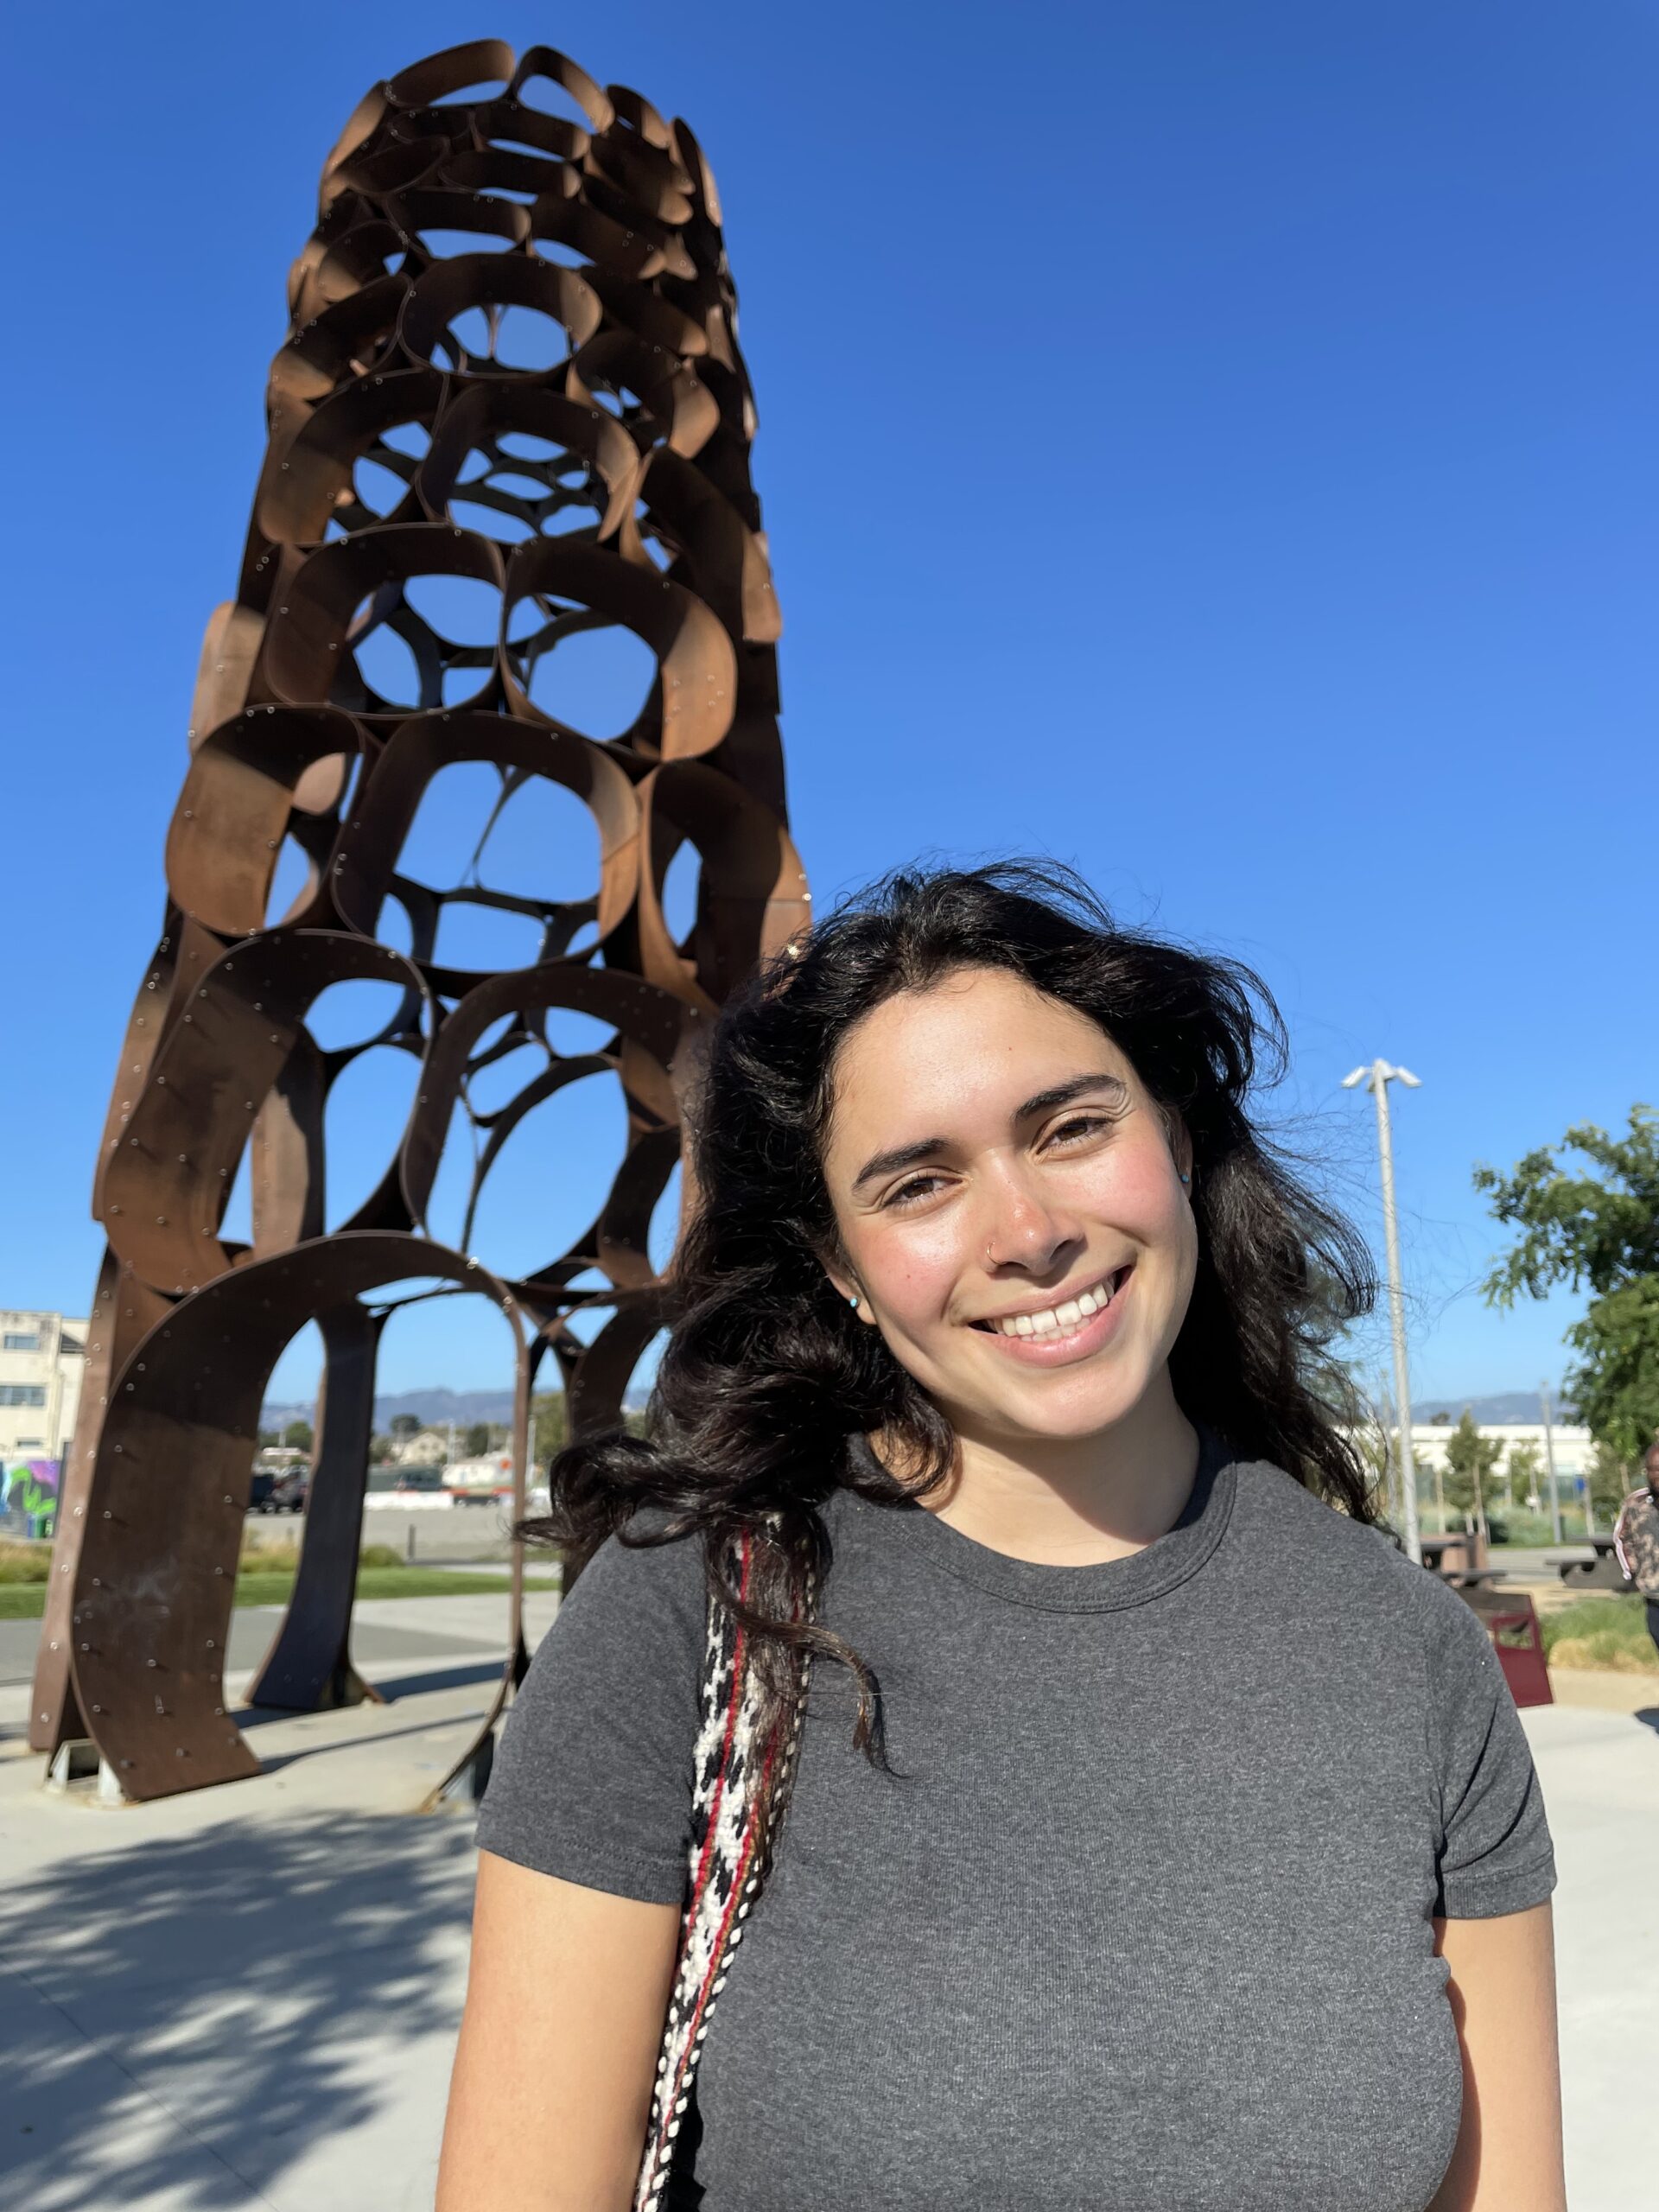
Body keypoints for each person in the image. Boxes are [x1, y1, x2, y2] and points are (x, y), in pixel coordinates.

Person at [437, 862, 1565, 2212]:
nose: (1028, 1233)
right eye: (917, 1183)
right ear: (842, 1270)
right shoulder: (685, 1617)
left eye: (1073, 1126)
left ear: (1181, 1140)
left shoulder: (1406, 1652)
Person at [1612, 1439, 1659, 1656]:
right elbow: (1622, 1538)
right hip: (1654, 1596)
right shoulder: (1636, 1503)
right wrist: (1632, 1571)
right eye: (1653, 1469)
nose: (1657, 1474)